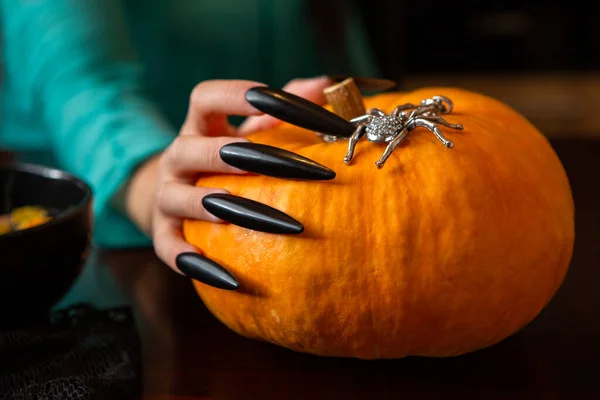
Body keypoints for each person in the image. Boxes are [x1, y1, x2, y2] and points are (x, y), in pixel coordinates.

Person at [0, 0, 381, 287]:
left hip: (341, 225)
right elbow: (84, 91)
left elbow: (347, 77)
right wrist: (160, 185)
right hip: (121, 258)